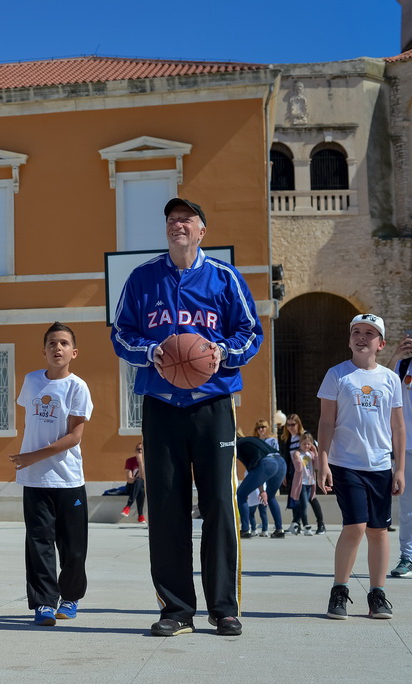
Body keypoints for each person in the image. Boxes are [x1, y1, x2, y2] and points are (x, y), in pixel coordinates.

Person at [111, 198, 262, 638]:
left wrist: (222, 351)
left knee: (219, 504)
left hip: (212, 403)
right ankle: (176, 610)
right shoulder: (141, 278)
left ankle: (224, 608)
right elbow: (121, 333)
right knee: (165, 506)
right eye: (172, 220)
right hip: (161, 403)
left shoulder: (224, 277)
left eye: (186, 220)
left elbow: (250, 332)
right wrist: (151, 351)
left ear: (201, 231)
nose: (178, 225)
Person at [318, 314, 405, 619]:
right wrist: (322, 461)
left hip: (380, 465)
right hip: (345, 464)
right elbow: (326, 421)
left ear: (381, 343)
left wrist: (399, 468)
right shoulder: (337, 375)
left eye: (369, 333)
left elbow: (398, 427)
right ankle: (339, 590)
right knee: (355, 526)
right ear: (349, 339)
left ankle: (377, 594)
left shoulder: (389, 379)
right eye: (356, 331)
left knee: (378, 531)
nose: (362, 337)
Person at [8, 322, 93, 626]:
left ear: (74, 352)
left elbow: (74, 437)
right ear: (43, 351)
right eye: (52, 343)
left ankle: (70, 598)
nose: (58, 348)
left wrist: (32, 456)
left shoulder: (77, 387)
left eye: (64, 343)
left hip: (68, 478)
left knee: (73, 546)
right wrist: (30, 459)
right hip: (35, 480)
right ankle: (44, 602)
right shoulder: (31, 381)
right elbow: (31, 422)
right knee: (38, 543)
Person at [391, 328, 412, 578]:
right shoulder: (401, 366)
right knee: (406, 507)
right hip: (406, 447)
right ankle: (407, 557)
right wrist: (396, 355)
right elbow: (381, 383)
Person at [236, 433, 286, 540]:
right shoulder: (250, 439)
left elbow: (252, 467)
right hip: (281, 461)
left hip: (267, 463)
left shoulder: (238, 446)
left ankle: (245, 529)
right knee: (271, 496)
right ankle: (279, 530)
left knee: (241, 494)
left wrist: (261, 490)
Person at [283, 414, 326, 535]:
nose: (290, 427)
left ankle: (320, 524)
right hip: (295, 473)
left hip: (308, 474)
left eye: (293, 424)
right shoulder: (288, 439)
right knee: (296, 498)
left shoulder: (305, 437)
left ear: (298, 424)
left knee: (311, 499)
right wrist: (285, 474)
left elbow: (314, 454)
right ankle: (296, 524)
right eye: (288, 425)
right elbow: (287, 458)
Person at [288, 432, 319, 536]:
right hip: (301, 483)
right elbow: (299, 469)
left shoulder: (311, 454)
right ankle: (306, 527)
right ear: (300, 443)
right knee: (304, 505)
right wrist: (297, 457)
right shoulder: (297, 454)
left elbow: (317, 467)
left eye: (309, 444)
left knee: (302, 506)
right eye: (304, 444)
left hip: (310, 482)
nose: (306, 446)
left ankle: (294, 523)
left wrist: (315, 452)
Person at [121, 443, 146, 523]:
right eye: (138, 449)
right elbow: (129, 479)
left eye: (142, 449)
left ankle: (128, 507)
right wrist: (138, 479)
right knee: (138, 482)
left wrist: (140, 462)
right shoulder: (130, 461)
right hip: (131, 487)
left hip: (142, 487)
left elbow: (143, 479)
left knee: (141, 488)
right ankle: (140, 516)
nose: (140, 451)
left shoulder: (148, 462)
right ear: (135, 451)